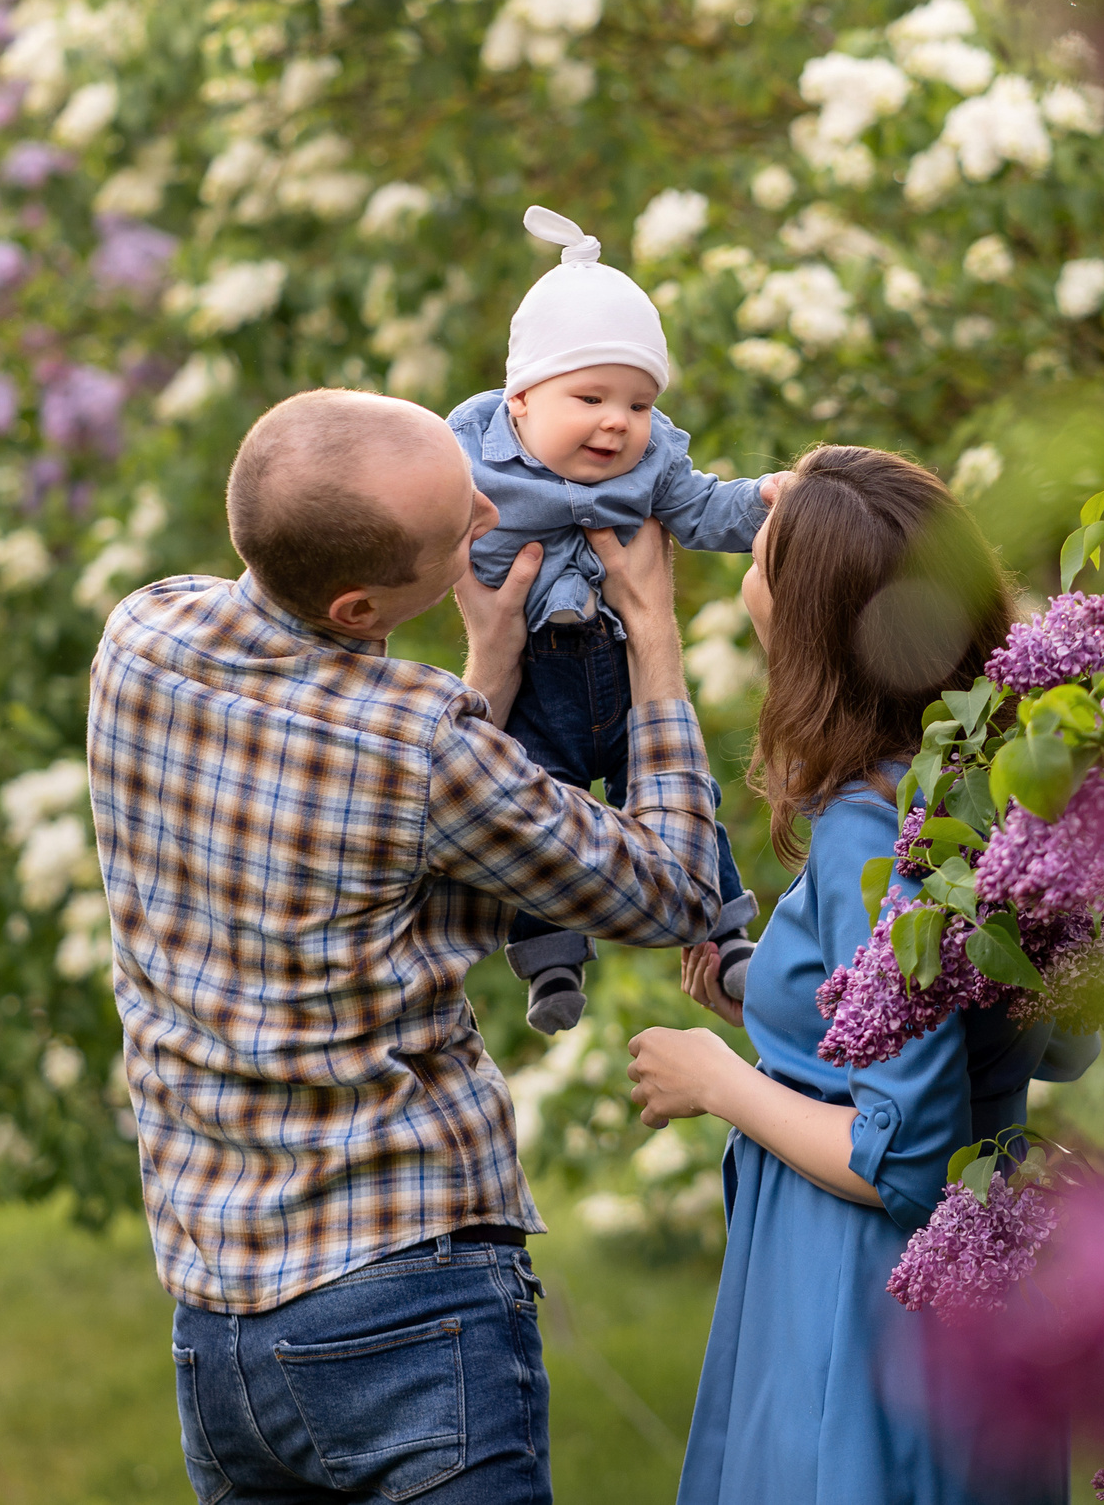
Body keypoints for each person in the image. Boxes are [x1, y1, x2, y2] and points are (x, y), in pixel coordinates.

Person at [87, 387, 722, 1505]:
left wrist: (489, 662)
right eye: (460, 524)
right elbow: (668, 889)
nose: (491, 504)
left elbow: (371, 847)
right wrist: (655, 637)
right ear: (356, 608)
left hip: (216, 1325)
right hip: (406, 1310)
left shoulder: (141, 634)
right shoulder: (421, 742)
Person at [625, 445, 1101, 1505]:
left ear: (803, 625)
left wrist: (717, 1079)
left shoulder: (866, 833)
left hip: (862, 1302)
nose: (743, 570)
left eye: (756, 560)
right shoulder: (992, 782)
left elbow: (905, 1161)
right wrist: (764, 990)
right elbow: (1052, 1039)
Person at [453, 204, 789, 1034]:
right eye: (592, 396)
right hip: (538, 678)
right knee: (535, 802)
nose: (618, 421)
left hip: (621, 666)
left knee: (685, 792)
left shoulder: (656, 461)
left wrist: (767, 502)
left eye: (638, 404)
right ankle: (549, 958)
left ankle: (727, 932)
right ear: (520, 400)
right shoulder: (470, 456)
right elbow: (417, 531)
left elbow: (706, 508)